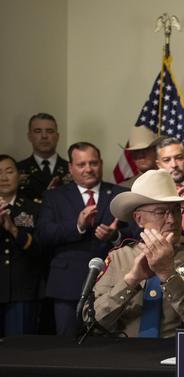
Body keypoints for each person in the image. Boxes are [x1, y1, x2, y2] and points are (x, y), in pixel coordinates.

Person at [93, 170, 184, 337]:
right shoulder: (118, 257)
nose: (172, 220)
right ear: (138, 219)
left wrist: (169, 275)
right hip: (124, 355)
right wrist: (131, 280)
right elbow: (94, 322)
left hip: (179, 354)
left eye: (176, 210)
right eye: (161, 212)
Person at [35, 142, 127, 336]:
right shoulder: (54, 196)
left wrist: (115, 236)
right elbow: (43, 234)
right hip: (68, 286)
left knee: (110, 350)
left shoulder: (120, 195)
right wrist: (78, 226)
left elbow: (135, 235)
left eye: (93, 163)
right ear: (70, 167)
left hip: (113, 284)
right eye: (81, 164)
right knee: (68, 350)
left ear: (101, 163)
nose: (88, 169)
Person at [0, 155, 43, 335]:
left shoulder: (33, 209)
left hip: (23, 291)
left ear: (19, 175)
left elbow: (42, 250)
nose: (3, 177)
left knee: (20, 350)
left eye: (9, 171)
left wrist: (13, 229)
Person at [17, 113, 71, 199]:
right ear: (29, 136)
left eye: (50, 131)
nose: (44, 136)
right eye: (38, 131)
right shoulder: (18, 170)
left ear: (57, 137)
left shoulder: (72, 170)